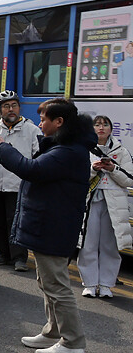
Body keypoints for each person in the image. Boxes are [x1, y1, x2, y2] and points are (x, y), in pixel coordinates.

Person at [0, 99, 94, 353]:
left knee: (57, 285)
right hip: (48, 224)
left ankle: (73, 343)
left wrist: (3, 148)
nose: (40, 124)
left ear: (59, 122)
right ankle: (53, 332)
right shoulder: (65, 146)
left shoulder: (69, 151)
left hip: (54, 226)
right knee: (46, 282)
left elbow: (31, 169)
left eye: (44, 119)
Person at [0, 91, 40, 272]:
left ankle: (19, 258)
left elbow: (38, 157)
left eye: (14, 105)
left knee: (16, 222)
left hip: (18, 185)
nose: (11, 109)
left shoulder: (32, 130)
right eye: (6, 106)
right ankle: (3, 255)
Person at [77, 115, 130, 299]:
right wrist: (94, 168)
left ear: (111, 129)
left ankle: (107, 285)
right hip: (90, 201)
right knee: (88, 244)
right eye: (97, 124)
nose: (101, 128)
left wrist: (112, 169)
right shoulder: (84, 149)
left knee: (110, 245)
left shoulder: (121, 151)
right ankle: (90, 284)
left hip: (114, 203)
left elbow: (129, 179)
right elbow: (77, 176)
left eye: (105, 124)